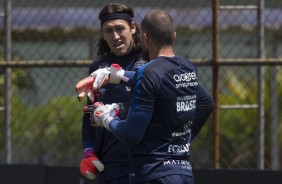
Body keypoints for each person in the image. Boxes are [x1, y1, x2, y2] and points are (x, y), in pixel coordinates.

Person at [77, 3, 146, 184]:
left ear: (132, 28)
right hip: (108, 167)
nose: (115, 36)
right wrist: (88, 151)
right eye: (108, 30)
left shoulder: (150, 61)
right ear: (102, 34)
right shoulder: (98, 67)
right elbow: (90, 114)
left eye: (119, 28)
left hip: (143, 165)